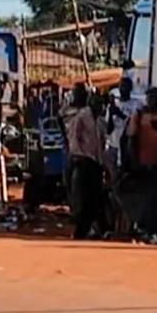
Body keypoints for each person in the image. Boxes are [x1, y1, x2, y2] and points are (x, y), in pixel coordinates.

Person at [125, 86, 157, 241]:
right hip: (143, 162)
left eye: (156, 97)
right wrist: (134, 162)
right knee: (145, 196)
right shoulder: (139, 115)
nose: (152, 100)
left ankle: (151, 227)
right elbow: (131, 138)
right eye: (150, 97)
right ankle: (141, 226)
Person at [64, 83, 107, 240]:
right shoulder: (81, 117)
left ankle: (89, 229)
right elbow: (73, 137)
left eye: (101, 104)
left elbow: (102, 143)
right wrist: (77, 156)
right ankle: (80, 230)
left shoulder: (100, 122)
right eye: (96, 103)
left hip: (95, 163)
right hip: (82, 161)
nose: (99, 107)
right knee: (81, 197)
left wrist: (102, 163)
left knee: (94, 198)